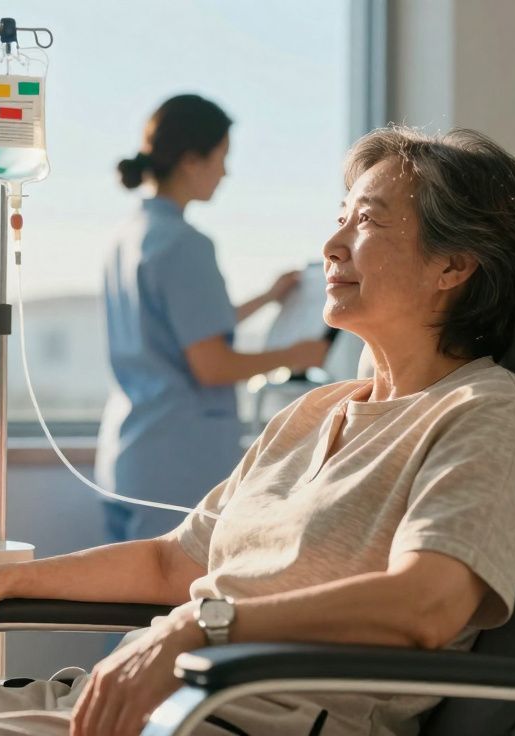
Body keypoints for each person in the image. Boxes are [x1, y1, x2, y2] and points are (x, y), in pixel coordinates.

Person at [0, 125, 515, 736]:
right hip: (123, 696)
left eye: (364, 221)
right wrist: (2, 581)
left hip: (238, 718)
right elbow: (173, 560)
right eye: (339, 215)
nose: (331, 242)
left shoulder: (486, 414)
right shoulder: (313, 411)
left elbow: (427, 606)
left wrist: (197, 627)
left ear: (454, 265)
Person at [98, 93, 332, 542]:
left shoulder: (129, 236)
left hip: (130, 457)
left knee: (125, 609)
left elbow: (181, 327)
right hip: (175, 461)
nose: (225, 172)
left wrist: (267, 297)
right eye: (222, 157)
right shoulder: (185, 244)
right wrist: (299, 353)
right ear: (191, 160)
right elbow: (212, 367)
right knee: (170, 608)